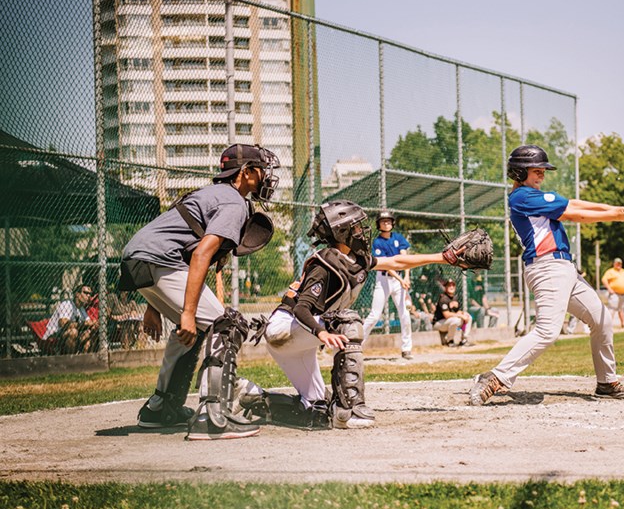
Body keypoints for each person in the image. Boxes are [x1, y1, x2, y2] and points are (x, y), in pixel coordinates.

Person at [238, 200, 455, 431]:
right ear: (342, 232)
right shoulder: (325, 264)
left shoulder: (353, 259)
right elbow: (301, 308)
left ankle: (254, 398)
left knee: (318, 409)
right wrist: (322, 332)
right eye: (356, 227)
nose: (362, 231)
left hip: (300, 335)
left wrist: (442, 257)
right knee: (347, 321)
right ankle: (349, 408)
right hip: (285, 327)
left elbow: (396, 261)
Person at [119, 143, 280, 439]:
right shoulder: (233, 201)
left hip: (138, 259)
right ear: (245, 174)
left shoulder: (207, 194)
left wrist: (154, 307)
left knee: (189, 331)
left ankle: (160, 408)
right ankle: (212, 417)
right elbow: (201, 255)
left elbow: (172, 245)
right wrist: (189, 312)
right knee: (227, 325)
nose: (266, 178)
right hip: (159, 261)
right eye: (260, 171)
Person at [469, 144, 624, 405]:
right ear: (519, 173)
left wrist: (614, 208)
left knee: (601, 320)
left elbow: (575, 203)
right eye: (536, 171)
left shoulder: (535, 195)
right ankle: (495, 377)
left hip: (564, 268)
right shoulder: (522, 197)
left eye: (542, 171)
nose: (542, 175)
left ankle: (606, 382)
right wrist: (612, 217)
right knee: (548, 331)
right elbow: (575, 215)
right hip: (547, 268)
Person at [361, 210, 415, 359]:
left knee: (405, 314)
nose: (387, 223)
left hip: (400, 280)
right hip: (384, 279)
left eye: (389, 221)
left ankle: (406, 349)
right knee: (374, 315)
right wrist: (401, 279)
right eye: (383, 221)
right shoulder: (377, 242)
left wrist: (407, 276)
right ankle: (357, 345)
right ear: (378, 224)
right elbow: (385, 265)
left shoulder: (398, 238)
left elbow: (406, 259)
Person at [42, 284, 97, 354]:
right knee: (73, 332)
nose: (89, 296)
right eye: (85, 293)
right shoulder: (67, 304)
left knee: (89, 333)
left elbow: (89, 322)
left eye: (90, 294)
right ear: (77, 294)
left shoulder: (81, 309)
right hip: (53, 338)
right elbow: (63, 323)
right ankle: (72, 360)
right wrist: (84, 324)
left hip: (67, 338)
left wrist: (94, 324)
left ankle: (85, 361)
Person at [433, 279, 474, 346]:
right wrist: (460, 316)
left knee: (468, 316)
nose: (451, 287)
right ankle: (450, 341)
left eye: (453, 285)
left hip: (449, 322)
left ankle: (464, 340)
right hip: (439, 323)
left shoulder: (454, 297)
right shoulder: (443, 298)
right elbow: (446, 315)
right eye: (449, 286)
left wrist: (463, 314)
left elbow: (457, 311)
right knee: (456, 320)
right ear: (445, 288)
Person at [601, 257, 624, 328]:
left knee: (622, 309)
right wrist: (609, 289)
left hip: (623, 294)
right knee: (612, 309)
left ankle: (623, 324)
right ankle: (608, 325)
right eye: (617, 263)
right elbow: (604, 280)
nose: (619, 265)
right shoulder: (610, 271)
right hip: (615, 294)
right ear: (614, 264)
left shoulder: (623, 271)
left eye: (620, 263)